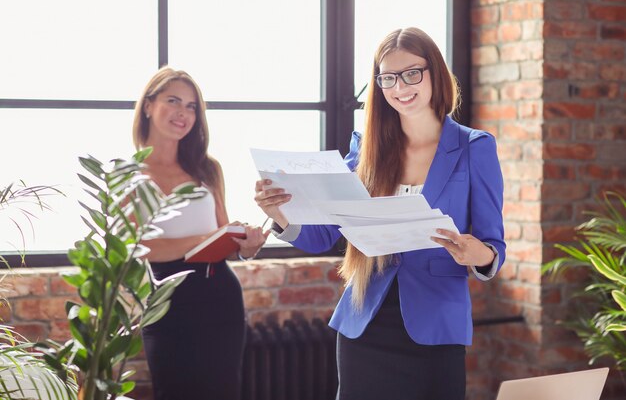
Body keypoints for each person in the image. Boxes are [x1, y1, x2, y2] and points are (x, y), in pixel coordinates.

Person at [254, 27, 505, 400]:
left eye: (411, 74)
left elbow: (493, 246)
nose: (400, 87)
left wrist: (476, 254)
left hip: (436, 327)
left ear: (435, 72)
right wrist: (282, 214)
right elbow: (325, 233)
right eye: (388, 77)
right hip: (365, 323)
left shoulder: (474, 148)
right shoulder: (366, 150)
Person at [134, 66, 269, 400]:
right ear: (148, 106)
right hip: (166, 303)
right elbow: (140, 248)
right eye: (173, 101)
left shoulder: (207, 168)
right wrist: (201, 240)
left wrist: (245, 245)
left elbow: (222, 240)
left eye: (192, 106)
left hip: (219, 297)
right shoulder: (129, 174)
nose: (184, 113)